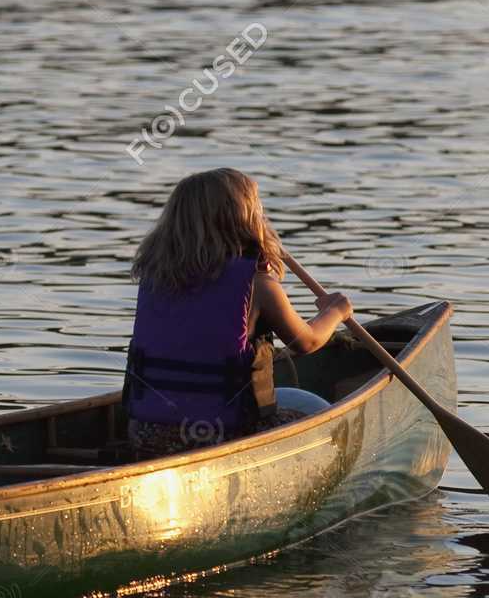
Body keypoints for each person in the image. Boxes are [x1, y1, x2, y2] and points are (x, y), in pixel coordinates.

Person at [124, 168, 351, 459]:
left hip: (146, 433)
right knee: (327, 423)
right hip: (221, 435)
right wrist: (336, 311)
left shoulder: (156, 277)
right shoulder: (258, 285)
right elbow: (306, 342)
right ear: (245, 221)